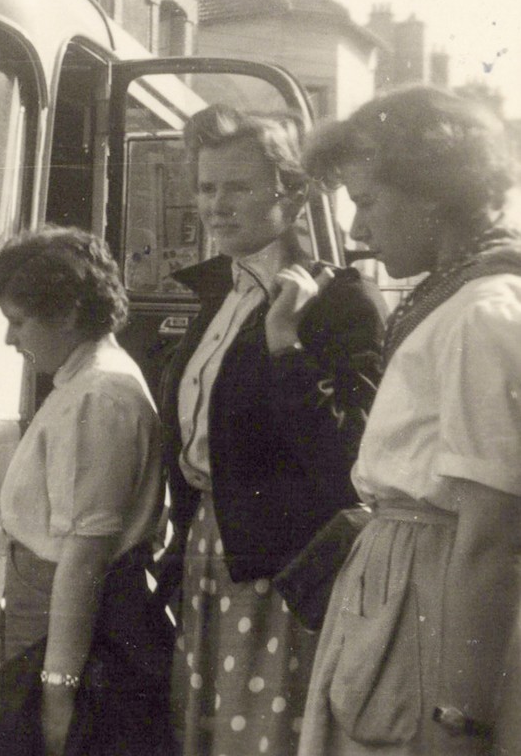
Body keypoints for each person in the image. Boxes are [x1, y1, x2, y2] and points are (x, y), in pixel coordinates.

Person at [297, 85, 521, 755]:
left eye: (367, 202)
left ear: (432, 194)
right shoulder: (454, 299)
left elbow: (489, 537)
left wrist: (460, 718)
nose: (356, 232)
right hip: (401, 599)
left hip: (431, 611)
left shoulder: (482, 315)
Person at [158, 104, 385, 756]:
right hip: (209, 553)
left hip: (282, 572)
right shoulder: (218, 299)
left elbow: (349, 460)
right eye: (206, 187)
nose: (216, 205)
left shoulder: (341, 301)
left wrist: (286, 343)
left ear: (294, 193)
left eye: (238, 187)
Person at [0, 227, 173, 756]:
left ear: (68, 313)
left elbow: (84, 558)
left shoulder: (99, 395)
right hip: (46, 614)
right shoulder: (84, 383)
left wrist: (58, 692)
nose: (10, 339)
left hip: (62, 626)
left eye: (19, 321)